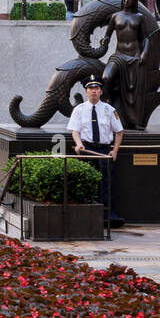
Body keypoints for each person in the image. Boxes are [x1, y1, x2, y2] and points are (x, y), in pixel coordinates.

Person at [68, 78, 124, 227]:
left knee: (107, 183)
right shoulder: (79, 109)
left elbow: (119, 131)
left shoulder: (109, 110)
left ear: (101, 91)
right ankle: (88, 215)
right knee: (88, 182)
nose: (93, 90)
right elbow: (75, 131)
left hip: (104, 150)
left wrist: (115, 150)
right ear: (86, 91)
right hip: (87, 149)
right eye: (90, 88)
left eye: (96, 88)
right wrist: (79, 144)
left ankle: (108, 215)